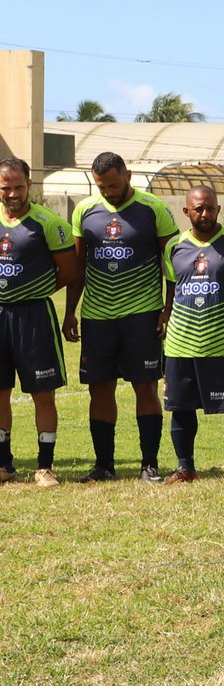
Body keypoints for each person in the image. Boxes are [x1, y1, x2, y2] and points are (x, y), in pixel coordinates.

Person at [64, 152, 178, 482]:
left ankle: (149, 464)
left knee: (145, 387)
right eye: (102, 186)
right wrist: (71, 311)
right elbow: (78, 267)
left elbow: (170, 263)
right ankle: (104, 465)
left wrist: (166, 308)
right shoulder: (85, 211)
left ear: (127, 174)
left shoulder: (153, 209)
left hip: (141, 314)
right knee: (99, 389)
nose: (109, 192)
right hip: (97, 316)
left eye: (113, 184)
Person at [159, 186, 224, 482]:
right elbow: (172, 287)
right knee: (180, 407)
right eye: (199, 209)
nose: (205, 214)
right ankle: (185, 467)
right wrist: (167, 312)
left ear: (218, 209)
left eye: (211, 208)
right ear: (187, 211)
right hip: (180, 343)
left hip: (223, 342)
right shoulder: (174, 247)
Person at [0, 157, 79, 487]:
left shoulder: (49, 223)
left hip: (34, 316)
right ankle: (4, 465)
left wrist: (34, 289)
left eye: (18, 186)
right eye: (6, 188)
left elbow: (71, 271)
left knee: (43, 394)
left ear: (29, 185)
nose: (13, 193)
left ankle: (45, 466)